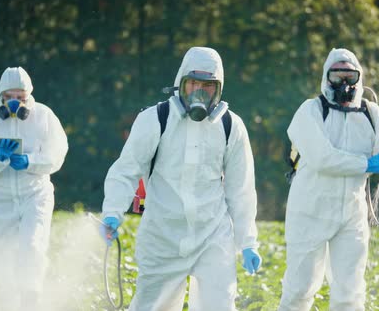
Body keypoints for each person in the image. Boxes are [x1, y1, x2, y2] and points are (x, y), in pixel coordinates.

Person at [100, 46, 262, 310]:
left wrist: (248, 242)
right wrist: (112, 212)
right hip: (162, 236)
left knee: (219, 305)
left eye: (208, 86)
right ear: (180, 84)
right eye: (193, 83)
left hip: (212, 236)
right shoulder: (155, 119)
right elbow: (126, 170)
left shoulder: (230, 126)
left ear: (218, 89)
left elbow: (241, 189)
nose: (199, 91)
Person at [278, 48, 379, 311]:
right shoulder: (310, 111)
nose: (344, 84)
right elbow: (322, 158)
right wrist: (365, 164)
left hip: (351, 215)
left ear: (359, 78)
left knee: (349, 294)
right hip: (309, 213)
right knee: (299, 291)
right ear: (326, 78)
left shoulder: (371, 114)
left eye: (349, 77)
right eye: (337, 76)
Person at [0, 66, 68, 310]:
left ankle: (30, 299)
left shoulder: (44, 116)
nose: (14, 103)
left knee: (32, 246)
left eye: (20, 98)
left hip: (34, 193)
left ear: (28, 96)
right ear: (1, 96)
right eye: (9, 98)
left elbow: (57, 153)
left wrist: (31, 162)